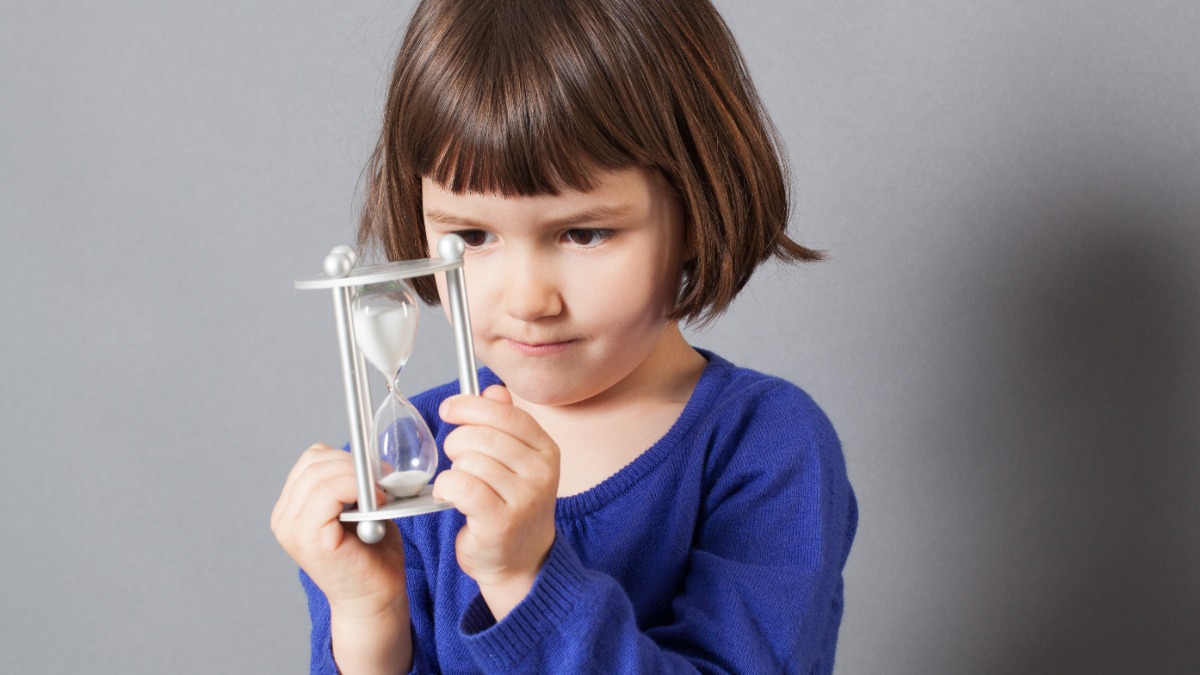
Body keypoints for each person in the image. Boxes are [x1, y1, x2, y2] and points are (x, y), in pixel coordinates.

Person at [271, 0, 858, 672]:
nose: (528, 299)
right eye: (470, 236)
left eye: (583, 232)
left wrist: (526, 576)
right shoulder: (413, 461)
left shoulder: (766, 447)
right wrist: (368, 615)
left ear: (695, 210)